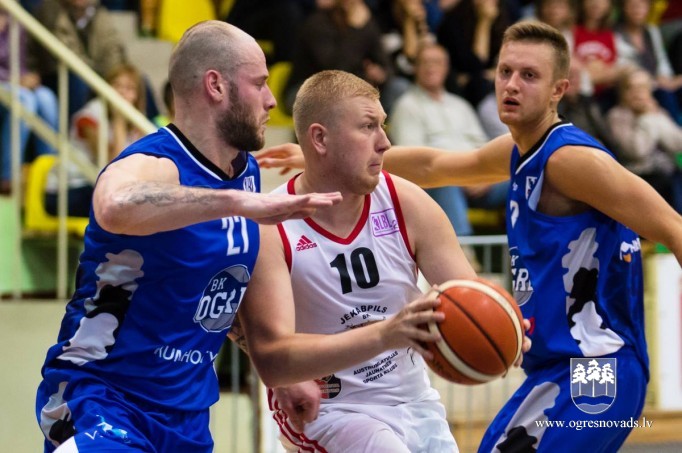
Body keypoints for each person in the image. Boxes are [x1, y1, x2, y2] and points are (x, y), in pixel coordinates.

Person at [256, 21, 682, 451]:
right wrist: (317, 156)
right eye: (505, 72)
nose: (511, 85)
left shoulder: (570, 159)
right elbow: (435, 166)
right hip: (556, 369)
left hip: (597, 365)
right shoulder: (519, 153)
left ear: (559, 90)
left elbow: (673, 227)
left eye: (529, 76)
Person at [35, 21, 446, 452]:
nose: (271, 100)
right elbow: (112, 204)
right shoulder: (157, 161)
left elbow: (219, 300)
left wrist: (283, 376)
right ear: (216, 86)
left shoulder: (244, 171)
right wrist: (237, 203)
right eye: (259, 83)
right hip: (102, 396)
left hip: (185, 412)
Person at [240, 68, 475, 452]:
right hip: (331, 409)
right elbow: (273, 357)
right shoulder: (272, 226)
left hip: (416, 400)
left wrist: (504, 323)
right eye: (368, 127)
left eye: (383, 125)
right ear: (320, 138)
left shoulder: (407, 202)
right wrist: (385, 333)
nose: (385, 143)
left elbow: (469, 298)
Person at [390, 42, 507, 239]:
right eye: (425, 62)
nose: (431, 67)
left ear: (446, 67)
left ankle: (531, 245)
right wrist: (461, 174)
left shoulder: (460, 105)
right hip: (439, 182)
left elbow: (483, 146)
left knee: (524, 174)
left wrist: (486, 176)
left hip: (479, 179)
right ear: (415, 68)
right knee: (443, 179)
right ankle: (464, 250)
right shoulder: (406, 106)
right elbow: (413, 161)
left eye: (437, 62)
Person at [43, 63, 146, 217]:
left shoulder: (136, 124)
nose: (122, 92)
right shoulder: (88, 117)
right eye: (117, 85)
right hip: (67, 190)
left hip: (97, 189)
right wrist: (118, 120)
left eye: (130, 88)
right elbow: (113, 164)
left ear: (137, 96)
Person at [606, 66, 682, 213]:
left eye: (642, 88)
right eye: (630, 88)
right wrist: (645, 117)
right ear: (622, 92)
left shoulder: (657, 112)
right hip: (640, 179)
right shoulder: (617, 116)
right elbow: (637, 152)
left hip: (668, 174)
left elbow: (678, 144)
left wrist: (656, 116)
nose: (637, 93)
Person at [0, 6, 58, 194]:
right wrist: (14, 80)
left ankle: (48, 172)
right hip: (6, 83)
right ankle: (9, 176)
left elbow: (21, 63)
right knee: (25, 100)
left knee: (46, 97)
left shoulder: (16, 21)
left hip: (13, 83)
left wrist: (29, 77)